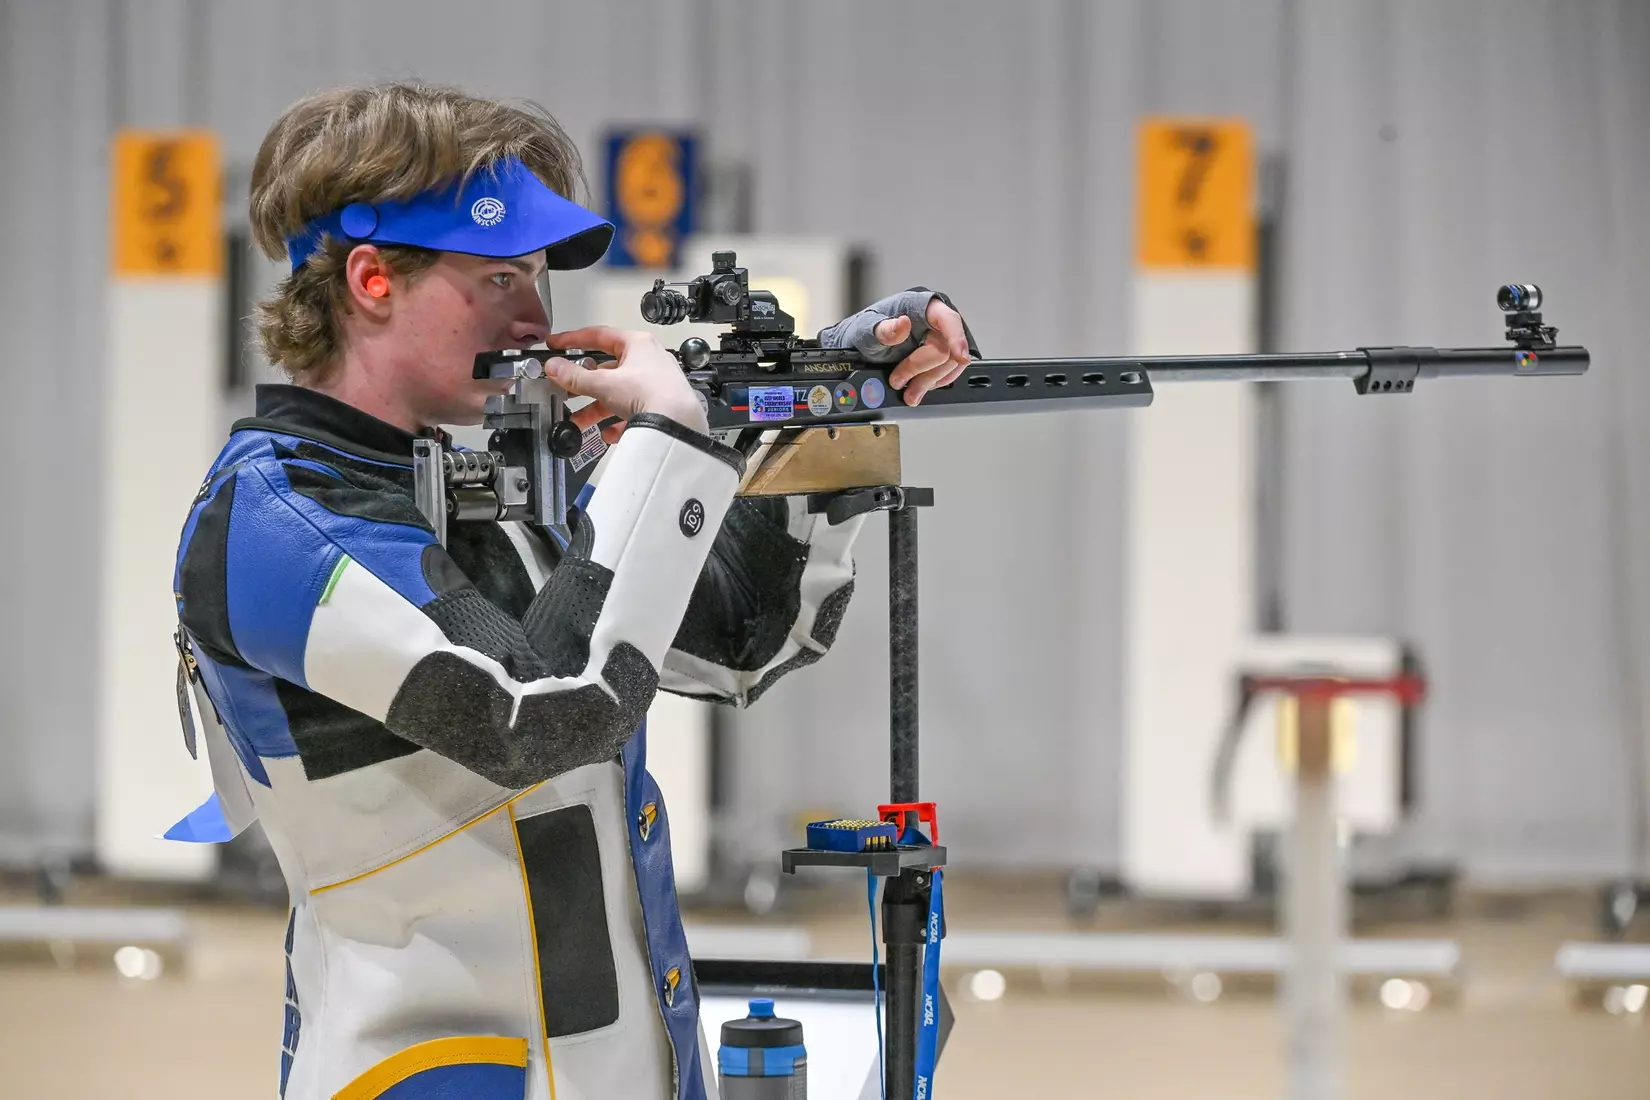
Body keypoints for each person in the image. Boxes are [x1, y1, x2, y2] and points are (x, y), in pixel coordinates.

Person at [168, 82, 974, 1100]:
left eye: (539, 275)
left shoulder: (471, 487)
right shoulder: (277, 522)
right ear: (371, 278)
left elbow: (738, 637)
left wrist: (824, 405)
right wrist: (665, 445)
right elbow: (539, 714)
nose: (537, 315)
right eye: (502, 275)